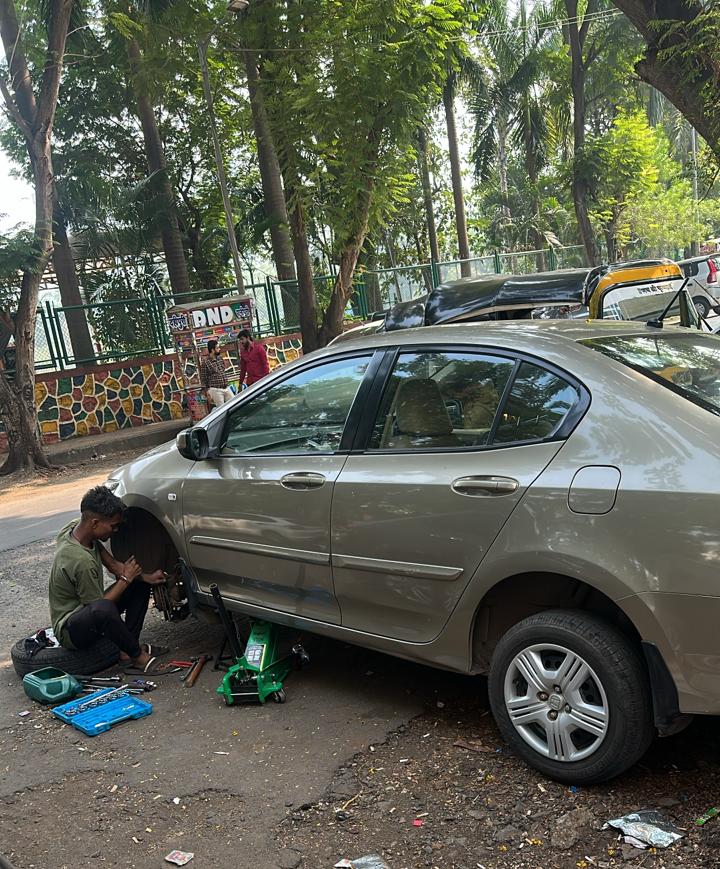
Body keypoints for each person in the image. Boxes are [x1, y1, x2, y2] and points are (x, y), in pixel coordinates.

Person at [48, 486, 167, 673]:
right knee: (107, 605)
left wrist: (143, 577)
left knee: (139, 583)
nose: (115, 530)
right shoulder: (80, 560)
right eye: (112, 526)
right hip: (71, 629)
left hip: (90, 610)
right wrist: (126, 578)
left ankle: (127, 650)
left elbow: (112, 564)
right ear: (94, 523)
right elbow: (100, 609)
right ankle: (137, 656)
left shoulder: (76, 528)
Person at [200, 339, 234, 407]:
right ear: (212, 350)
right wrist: (207, 391)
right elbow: (204, 378)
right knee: (221, 409)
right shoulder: (206, 362)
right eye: (217, 348)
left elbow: (223, 370)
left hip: (226, 387)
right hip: (216, 389)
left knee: (233, 403)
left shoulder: (220, 358)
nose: (219, 349)